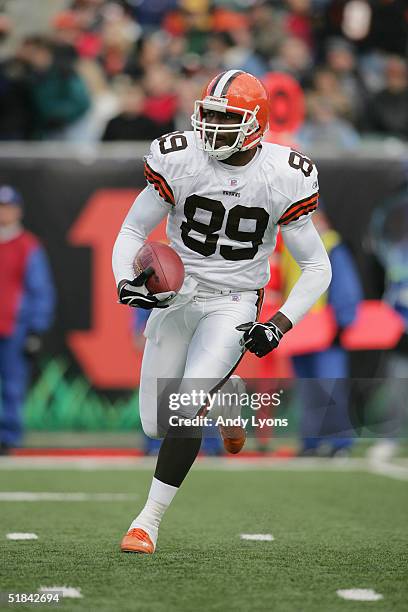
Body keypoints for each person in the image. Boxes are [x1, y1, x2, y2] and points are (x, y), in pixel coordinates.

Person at [112, 69, 332, 554]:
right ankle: (228, 391)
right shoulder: (180, 159)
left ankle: (146, 522)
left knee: (186, 405)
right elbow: (130, 232)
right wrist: (125, 282)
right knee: (155, 423)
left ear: (254, 125)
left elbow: (317, 266)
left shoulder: (283, 174)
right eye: (207, 114)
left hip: (234, 301)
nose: (210, 126)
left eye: (224, 117)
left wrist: (278, 324)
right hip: (176, 296)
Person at [280, 207, 363, 456]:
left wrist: (342, 325)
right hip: (299, 330)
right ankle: (312, 443)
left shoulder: (332, 245)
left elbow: (345, 288)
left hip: (325, 332)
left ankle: (340, 444)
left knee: (330, 389)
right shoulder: (291, 248)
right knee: (308, 391)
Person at [0, 186, 55, 454]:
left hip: (14, 327)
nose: (4, 213)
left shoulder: (27, 246)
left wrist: (36, 329)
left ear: (17, 210)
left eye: (8, 207)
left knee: (12, 384)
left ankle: (9, 437)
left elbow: (40, 290)